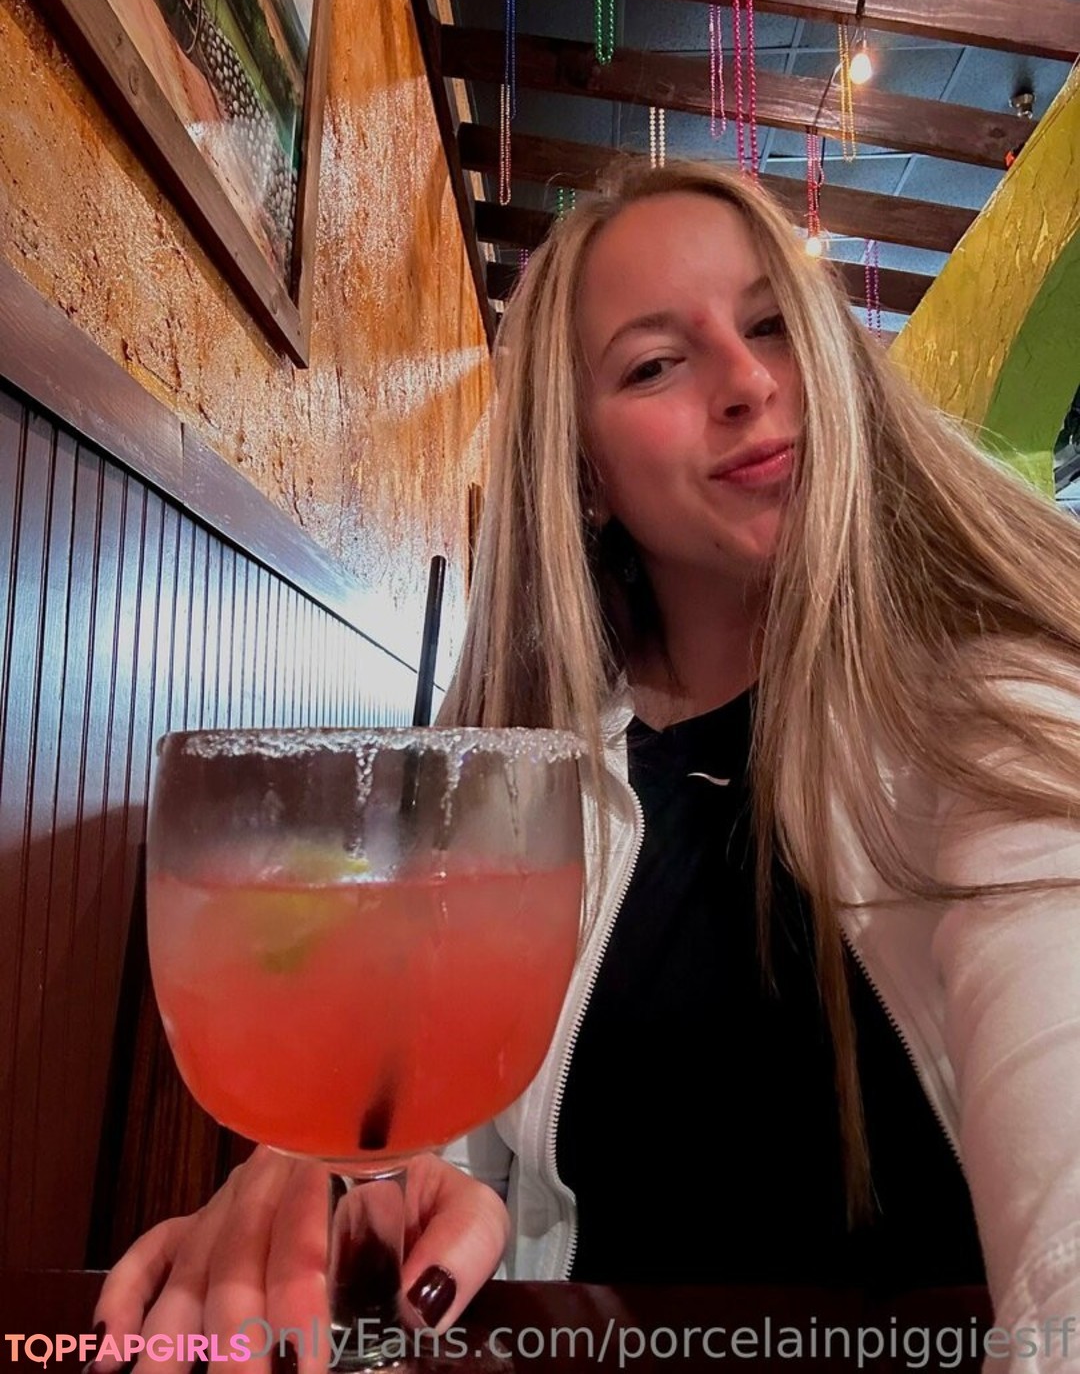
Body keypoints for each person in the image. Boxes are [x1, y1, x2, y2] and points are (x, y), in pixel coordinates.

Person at [94, 160, 1080, 1372]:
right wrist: (339, 1188)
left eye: (774, 322)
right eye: (655, 363)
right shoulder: (528, 775)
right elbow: (442, 1138)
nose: (749, 382)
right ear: (584, 469)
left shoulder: (1000, 720)